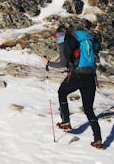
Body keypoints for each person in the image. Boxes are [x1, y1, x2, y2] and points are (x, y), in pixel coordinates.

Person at [44, 21, 104, 150]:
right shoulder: (86, 38)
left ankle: (66, 121)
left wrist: (48, 63)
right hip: (91, 76)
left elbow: (63, 63)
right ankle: (98, 139)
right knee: (88, 109)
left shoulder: (66, 39)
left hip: (78, 74)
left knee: (62, 92)